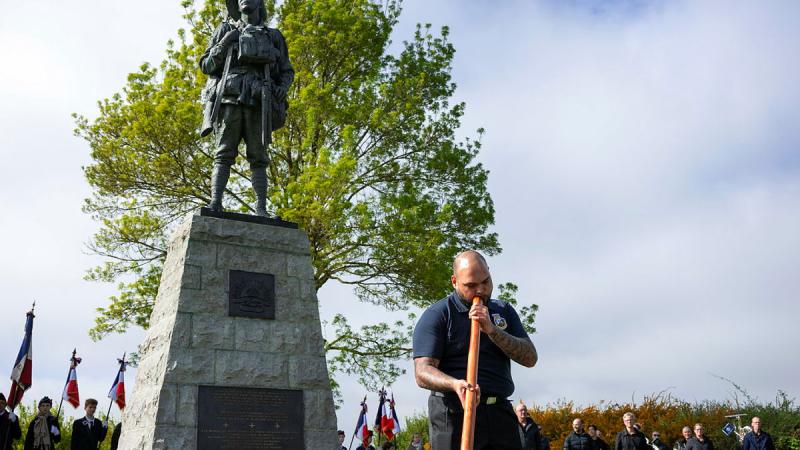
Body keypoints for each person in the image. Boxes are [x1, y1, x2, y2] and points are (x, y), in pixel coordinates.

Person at [413, 251, 538, 450]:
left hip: (500, 412)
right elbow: (422, 372)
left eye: (486, 281)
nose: (481, 290)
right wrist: (455, 384)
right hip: (453, 412)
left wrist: (492, 330)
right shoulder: (438, 315)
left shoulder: (503, 311)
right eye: (471, 285)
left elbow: (530, 358)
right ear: (454, 281)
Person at [199, 0, 294, 216]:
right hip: (229, 99)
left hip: (259, 101)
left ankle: (261, 209)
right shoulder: (225, 29)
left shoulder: (273, 36)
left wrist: (282, 88)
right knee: (223, 153)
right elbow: (206, 66)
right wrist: (224, 42)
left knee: (259, 157)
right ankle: (215, 202)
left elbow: (287, 71)